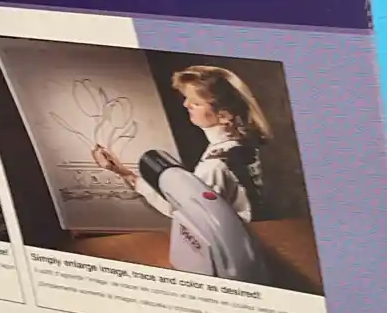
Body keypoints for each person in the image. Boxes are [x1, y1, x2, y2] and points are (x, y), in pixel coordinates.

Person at [94, 65, 270, 222]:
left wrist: (127, 175)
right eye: (187, 98)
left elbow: (184, 212)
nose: (186, 104)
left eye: (196, 103)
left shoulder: (215, 165)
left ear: (224, 116)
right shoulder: (239, 143)